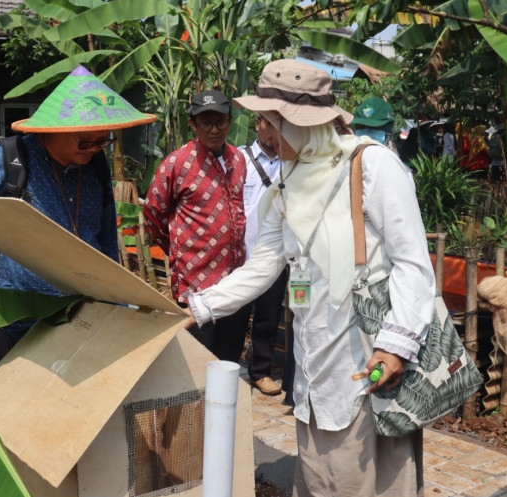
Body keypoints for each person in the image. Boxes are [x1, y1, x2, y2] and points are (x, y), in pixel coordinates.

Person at [183, 58, 434, 497]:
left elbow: (413, 264)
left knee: (367, 476)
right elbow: (264, 264)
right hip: (316, 356)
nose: (263, 132)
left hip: (369, 358)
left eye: (270, 121)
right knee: (320, 472)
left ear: (300, 124)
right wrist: (199, 307)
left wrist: (395, 347)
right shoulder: (288, 180)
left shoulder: (372, 167)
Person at [0, 65, 156, 361]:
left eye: (103, 141)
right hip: (20, 320)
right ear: (53, 130)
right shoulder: (8, 160)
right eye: (86, 141)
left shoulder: (95, 164)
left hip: (83, 313)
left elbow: (106, 241)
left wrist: (116, 301)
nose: (94, 149)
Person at [143, 90, 251, 363]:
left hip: (235, 282)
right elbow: (153, 211)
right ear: (193, 123)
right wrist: (177, 248)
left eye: (221, 122)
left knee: (228, 361)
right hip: (196, 282)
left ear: (230, 121)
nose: (214, 129)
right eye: (206, 122)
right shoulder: (177, 163)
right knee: (197, 362)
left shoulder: (238, 160)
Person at [239, 115, 290, 396]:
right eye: (269, 124)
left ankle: (261, 372)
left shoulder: (290, 162)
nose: (273, 133)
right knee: (234, 314)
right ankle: (226, 364)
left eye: (278, 126)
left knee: (268, 317)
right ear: (258, 123)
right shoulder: (239, 159)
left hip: (274, 255)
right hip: (241, 254)